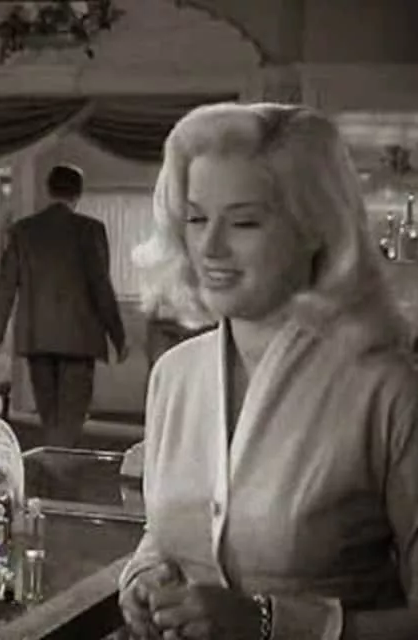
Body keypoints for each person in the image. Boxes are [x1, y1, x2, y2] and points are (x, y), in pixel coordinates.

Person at [118, 101, 418, 640]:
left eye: (244, 222)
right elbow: (164, 533)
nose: (210, 247)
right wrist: (143, 576)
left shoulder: (387, 388)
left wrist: (273, 623)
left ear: (315, 228)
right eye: (196, 218)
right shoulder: (173, 375)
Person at [0, 164, 128, 448]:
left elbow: (6, 287)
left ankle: (53, 466)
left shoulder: (22, 232)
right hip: (79, 339)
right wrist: (118, 337)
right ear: (78, 193)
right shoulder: (90, 230)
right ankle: (60, 469)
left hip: (37, 338)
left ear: (48, 190)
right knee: (71, 418)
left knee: (50, 417)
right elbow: (101, 287)